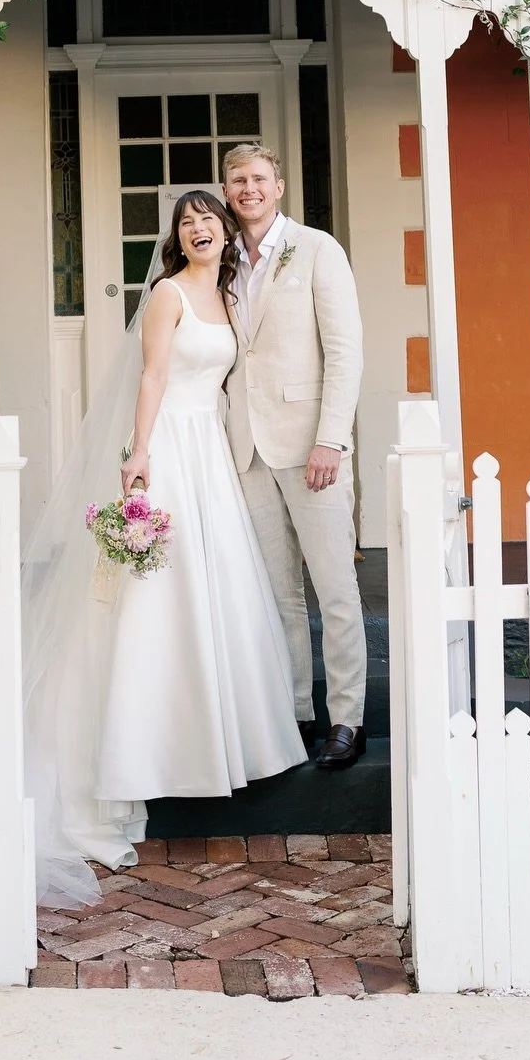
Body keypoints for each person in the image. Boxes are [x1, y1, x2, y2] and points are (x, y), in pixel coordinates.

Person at [21, 189, 305, 909]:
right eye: (187, 221)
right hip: (171, 448)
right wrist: (140, 452)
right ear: (176, 239)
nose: (200, 227)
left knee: (220, 588)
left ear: (225, 230)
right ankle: (150, 743)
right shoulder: (167, 296)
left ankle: (226, 737)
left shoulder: (231, 296)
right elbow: (151, 377)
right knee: (160, 593)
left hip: (211, 450)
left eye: (209, 217)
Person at [221, 143, 368, 770]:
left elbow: (345, 350)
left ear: (278, 185)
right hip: (246, 446)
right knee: (278, 593)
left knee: (335, 588)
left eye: (258, 178)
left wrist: (330, 439)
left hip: (312, 445)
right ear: (227, 191)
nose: (248, 189)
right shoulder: (222, 260)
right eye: (237, 181)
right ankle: (295, 712)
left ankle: (347, 718)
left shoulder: (316, 249)